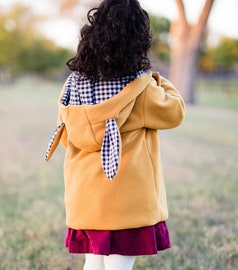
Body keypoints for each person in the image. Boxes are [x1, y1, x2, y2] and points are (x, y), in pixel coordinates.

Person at [45, 0, 185, 269]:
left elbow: (66, 135)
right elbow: (175, 111)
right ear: (137, 41)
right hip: (125, 204)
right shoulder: (140, 89)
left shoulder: (73, 84)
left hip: (86, 200)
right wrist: (154, 77)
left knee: (94, 264)